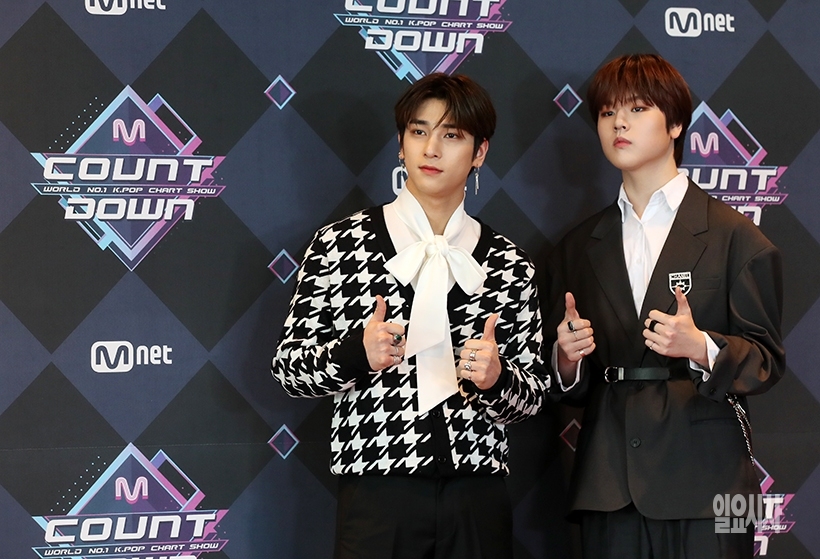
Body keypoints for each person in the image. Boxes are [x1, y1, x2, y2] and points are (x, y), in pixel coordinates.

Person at [272, 72, 550, 559]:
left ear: (480, 152)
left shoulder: (509, 264)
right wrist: (355, 355)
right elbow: (288, 370)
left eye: (452, 135)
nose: (432, 149)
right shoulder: (340, 245)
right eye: (419, 132)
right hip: (377, 490)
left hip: (477, 492)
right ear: (401, 145)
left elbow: (532, 398)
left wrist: (497, 379)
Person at [544, 54, 785, 558]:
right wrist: (567, 360)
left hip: (712, 480)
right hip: (608, 482)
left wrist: (701, 347)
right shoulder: (578, 246)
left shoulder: (736, 237)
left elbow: (766, 361)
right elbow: (573, 387)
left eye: (636, 109)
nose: (619, 123)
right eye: (607, 112)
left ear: (675, 124)